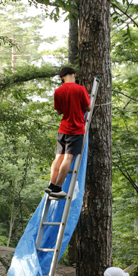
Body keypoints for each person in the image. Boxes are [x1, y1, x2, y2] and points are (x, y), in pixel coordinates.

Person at [45, 66, 91, 200]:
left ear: (62, 78)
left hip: (63, 129)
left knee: (58, 157)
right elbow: (88, 107)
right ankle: (58, 187)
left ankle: (52, 184)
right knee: (68, 158)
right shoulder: (80, 89)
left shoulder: (58, 91)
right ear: (74, 74)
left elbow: (59, 111)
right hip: (76, 129)